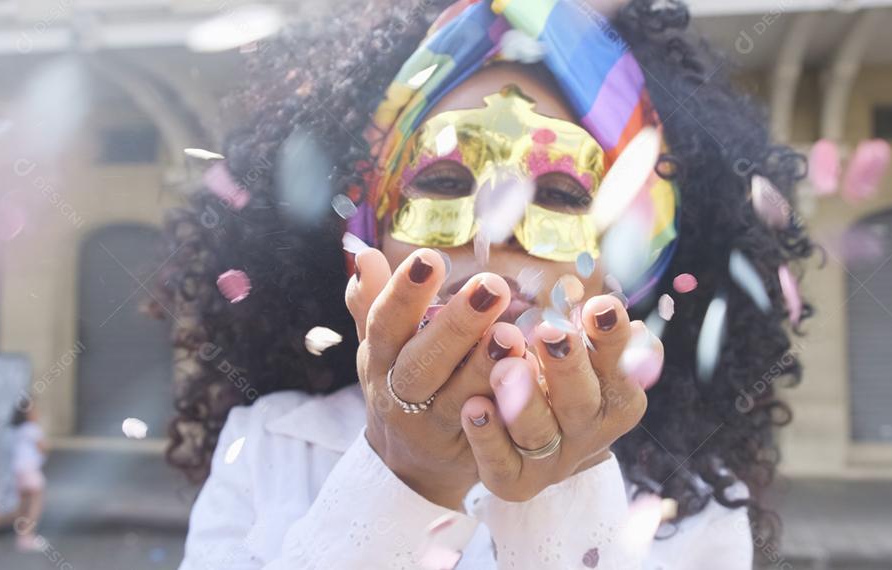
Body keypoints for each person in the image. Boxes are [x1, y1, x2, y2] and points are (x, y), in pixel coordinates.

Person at [156, 0, 813, 567]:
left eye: (558, 191)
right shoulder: (270, 447)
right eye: (443, 182)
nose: (490, 235)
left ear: (628, 264)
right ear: (371, 234)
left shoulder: (696, 506)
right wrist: (405, 479)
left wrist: (565, 490)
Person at [11, 403, 47, 552]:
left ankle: (21, 536)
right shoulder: (32, 429)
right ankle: (28, 536)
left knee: (23, 503)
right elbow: (42, 447)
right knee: (35, 503)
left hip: (18, 470)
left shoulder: (16, 430)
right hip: (30, 470)